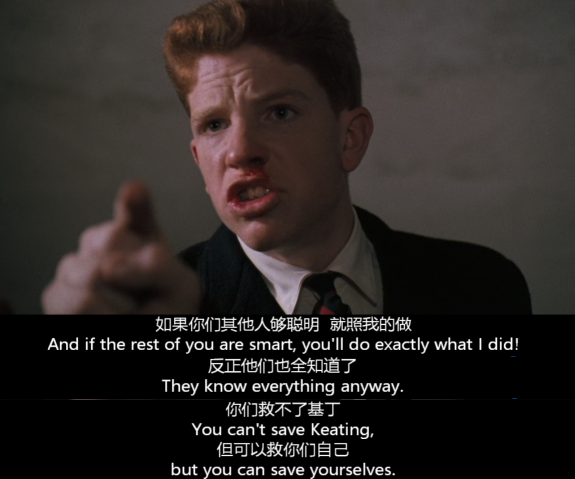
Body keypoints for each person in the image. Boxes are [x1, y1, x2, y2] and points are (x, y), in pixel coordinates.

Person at [42, 0, 531, 315]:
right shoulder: (153, 314)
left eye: (278, 112)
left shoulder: (484, 288)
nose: (239, 151)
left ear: (351, 139)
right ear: (198, 160)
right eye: (214, 125)